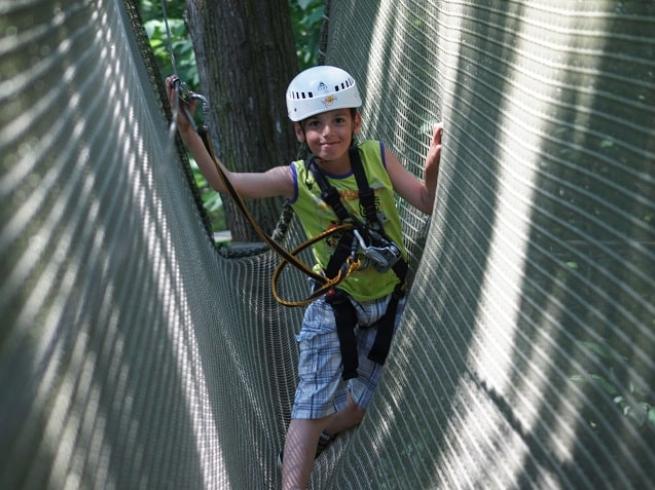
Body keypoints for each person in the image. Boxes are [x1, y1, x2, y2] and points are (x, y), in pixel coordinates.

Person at [166, 65, 442, 489]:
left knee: (361, 406)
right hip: (334, 307)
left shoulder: (378, 156)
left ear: (356, 122)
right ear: (299, 133)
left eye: (337, 120)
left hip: (389, 300)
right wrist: (189, 132)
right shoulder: (297, 180)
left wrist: (431, 174)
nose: (327, 133)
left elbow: (425, 202)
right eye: (314, 124)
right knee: (308, 410)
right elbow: (227, 184)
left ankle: (326, 431)